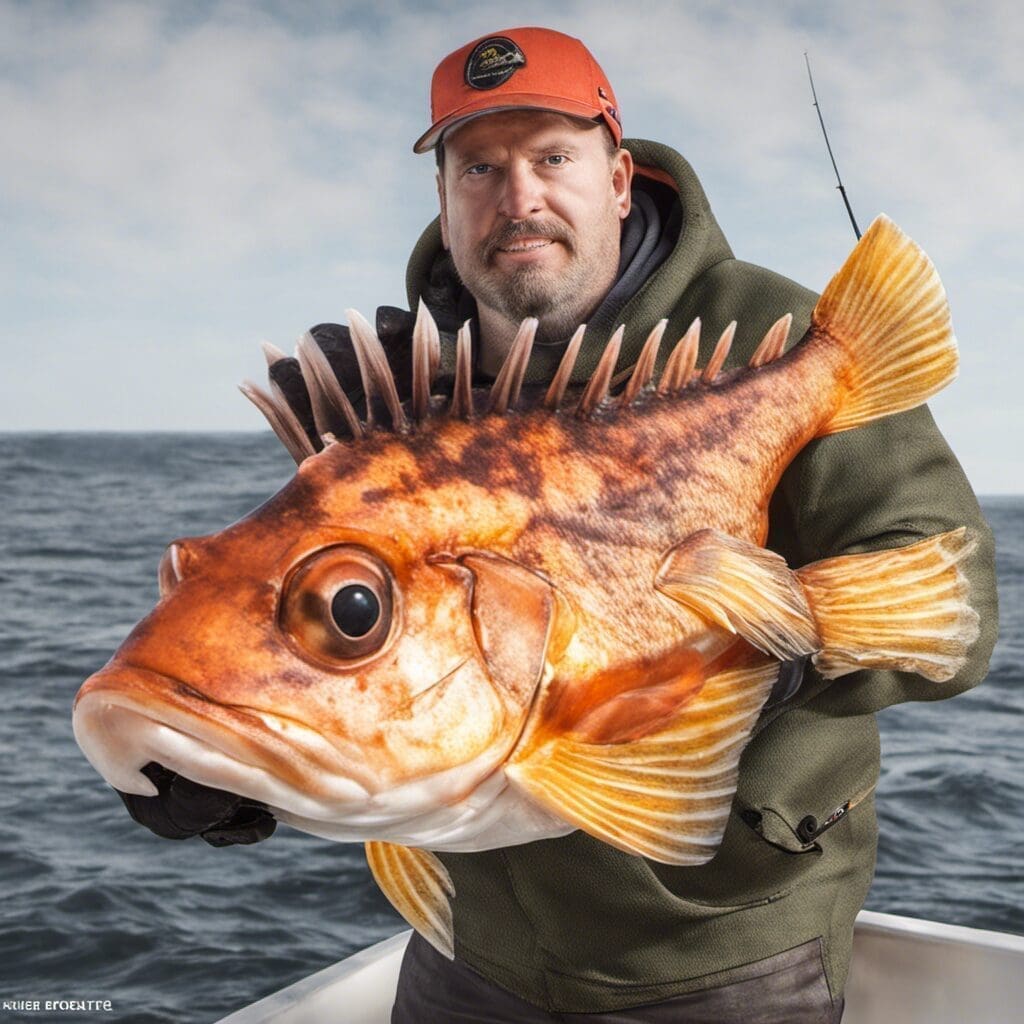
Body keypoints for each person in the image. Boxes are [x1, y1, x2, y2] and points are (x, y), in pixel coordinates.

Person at [359, 26, 997, 1024]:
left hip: (722, 942)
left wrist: (760, 655)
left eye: (552, 157)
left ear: (619, 178)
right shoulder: (407, 391)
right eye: (478, 165)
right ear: (444, 200)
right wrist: (209, 767)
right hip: (473, 943)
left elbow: (945, 598)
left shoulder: (779, 338)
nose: (516, 195)